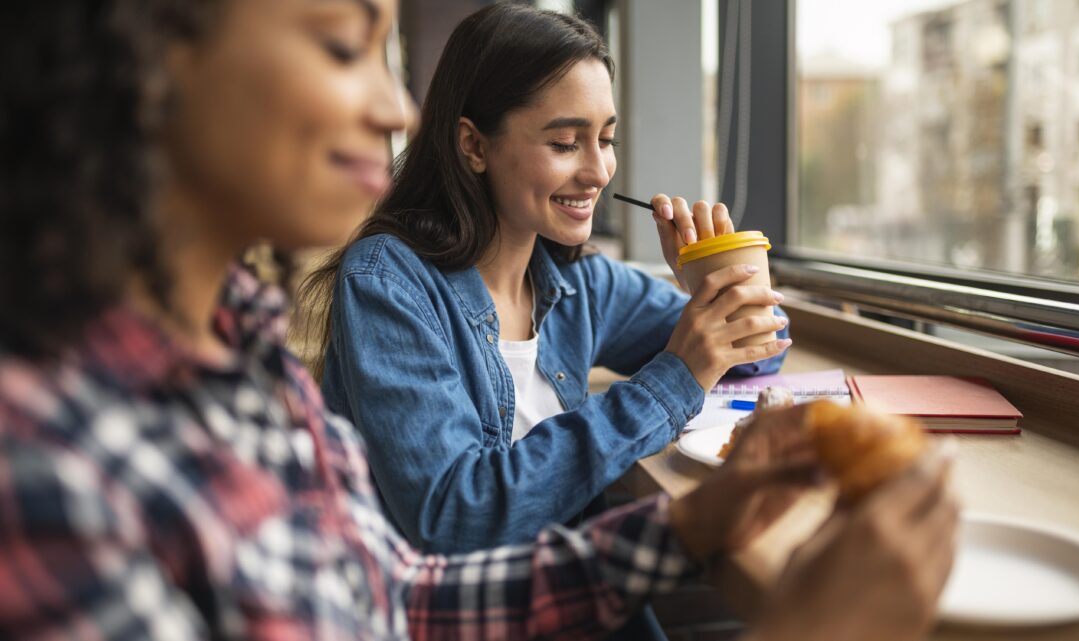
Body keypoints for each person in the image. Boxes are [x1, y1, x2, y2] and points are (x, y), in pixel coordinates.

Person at [0, 1, 958, 640]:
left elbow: (398, 596)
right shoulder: (49, 471)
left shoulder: (254, 355)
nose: (392, 104)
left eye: (607, 140)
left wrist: (721, 276)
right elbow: (453, 521)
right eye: (344, 46)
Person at [302, 3, 792, 559]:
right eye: (565, 143)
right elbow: (454, 517)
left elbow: (764, 346)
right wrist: (676, 379)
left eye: (606, 139)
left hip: (570, 594)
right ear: (474, 145)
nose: (599, 171)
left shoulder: (578, 282)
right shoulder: (388, 284)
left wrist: (707, 273)